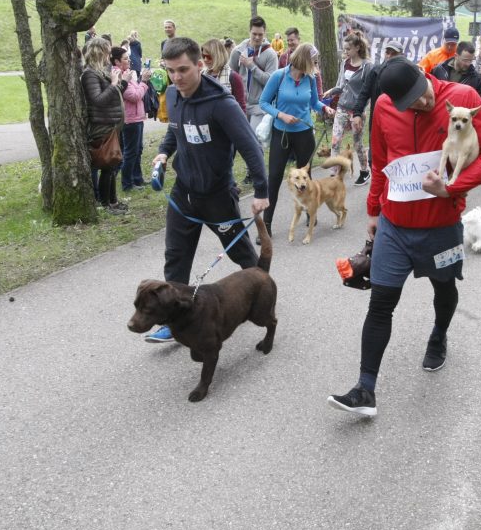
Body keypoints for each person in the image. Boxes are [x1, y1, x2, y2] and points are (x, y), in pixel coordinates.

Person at [326, 59, 481, 417]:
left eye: (422, 97)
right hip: (395, 225)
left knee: (444, 287)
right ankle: (365, 390)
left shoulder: (463, 99)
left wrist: (451, 187)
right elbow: (381, 163)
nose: (421, 105)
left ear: (426, 76)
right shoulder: (386, 109)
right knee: (380, 302)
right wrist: (374, 210)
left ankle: (439, 334)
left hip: (441, 226)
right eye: (410, 103)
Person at [143, 37, 269, 344]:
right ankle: (173, 321)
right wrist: (163, 153)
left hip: (216, 197)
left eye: (183, 69)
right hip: (183, 195)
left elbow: (250, 147)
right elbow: (176, 131)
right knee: (176, 257)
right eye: (171, 70)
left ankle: (263, 293)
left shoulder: (221, 104)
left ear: (201, 64)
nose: (177, 77)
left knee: (240, 253)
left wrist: (262, 191)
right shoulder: (172, 95)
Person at [259, 43, 335, 236]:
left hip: (304, 133)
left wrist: (324, 108)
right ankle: (266, 225)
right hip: (281, 133)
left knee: (306, 178)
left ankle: (310, 213)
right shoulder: (279, 76)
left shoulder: (309, 78)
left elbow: (314, 102)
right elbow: (263, 102)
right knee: (274, 178)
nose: (316, 65)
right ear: (304, 60)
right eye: (314, 61)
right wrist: (281, 115)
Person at [82, 37, 127, 213]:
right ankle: (106, 204)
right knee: (108, 165)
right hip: (102, 125)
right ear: (99, 52)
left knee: (113, 163)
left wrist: (120, 82)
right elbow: (98, 100)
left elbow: (113, 94)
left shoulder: (101, 72)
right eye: (107, 51)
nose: (109, 55)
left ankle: (113, 201)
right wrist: (114, 84)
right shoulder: (89, 74)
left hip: (112, 123)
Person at [323, 32, 374, 185]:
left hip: (357, 112)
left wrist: (360, 111)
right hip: (342, 108)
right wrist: (331, 91)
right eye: (344, 49)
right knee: (335, 141)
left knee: (357, 143)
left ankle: (364, 171)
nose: (345, 52)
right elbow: (341, 85)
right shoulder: (344, 64)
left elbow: (368, 93)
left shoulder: (367, 67)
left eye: (348, 49)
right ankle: (334, 175)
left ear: (357, 48)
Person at [229, 16, 279, 133]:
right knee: (242, 139)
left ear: (264, 33)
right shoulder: (237, 51)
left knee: (256, 140)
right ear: (249, 32)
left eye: (260, 34)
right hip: (240, 103)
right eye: (254, 34)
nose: (257, 37)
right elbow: (230, 75)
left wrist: (251, 66)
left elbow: (270, 81)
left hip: (260, 105)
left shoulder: (270, 54)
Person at [349, 41, 406, 145]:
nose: (390, 56)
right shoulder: (375, 72)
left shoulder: (407, 72)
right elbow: (364, 94)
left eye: (394, 53)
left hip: (399, 123)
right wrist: (357, 114)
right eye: (388, 52)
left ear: (402, 55)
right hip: (378, 122)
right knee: (375, 156)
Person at [111, 46, 151, 191]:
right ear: (117, 61)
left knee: (137, 150)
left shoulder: (127, 73)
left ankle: (137, 179)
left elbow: (136, 92)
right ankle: (127, 184)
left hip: (137, 117)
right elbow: (134, 96)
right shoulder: (119, 76)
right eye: (125, 58)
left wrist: (140, 83)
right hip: (130, 119)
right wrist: (144, 82)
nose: (129, 60)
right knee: (130, 152)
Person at [201, 38, 246, 111]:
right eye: (203, 56)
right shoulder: (201, 75)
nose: (205, 60)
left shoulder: (233, 76)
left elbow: (241, 106)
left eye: (209, 57)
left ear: (217, 56)